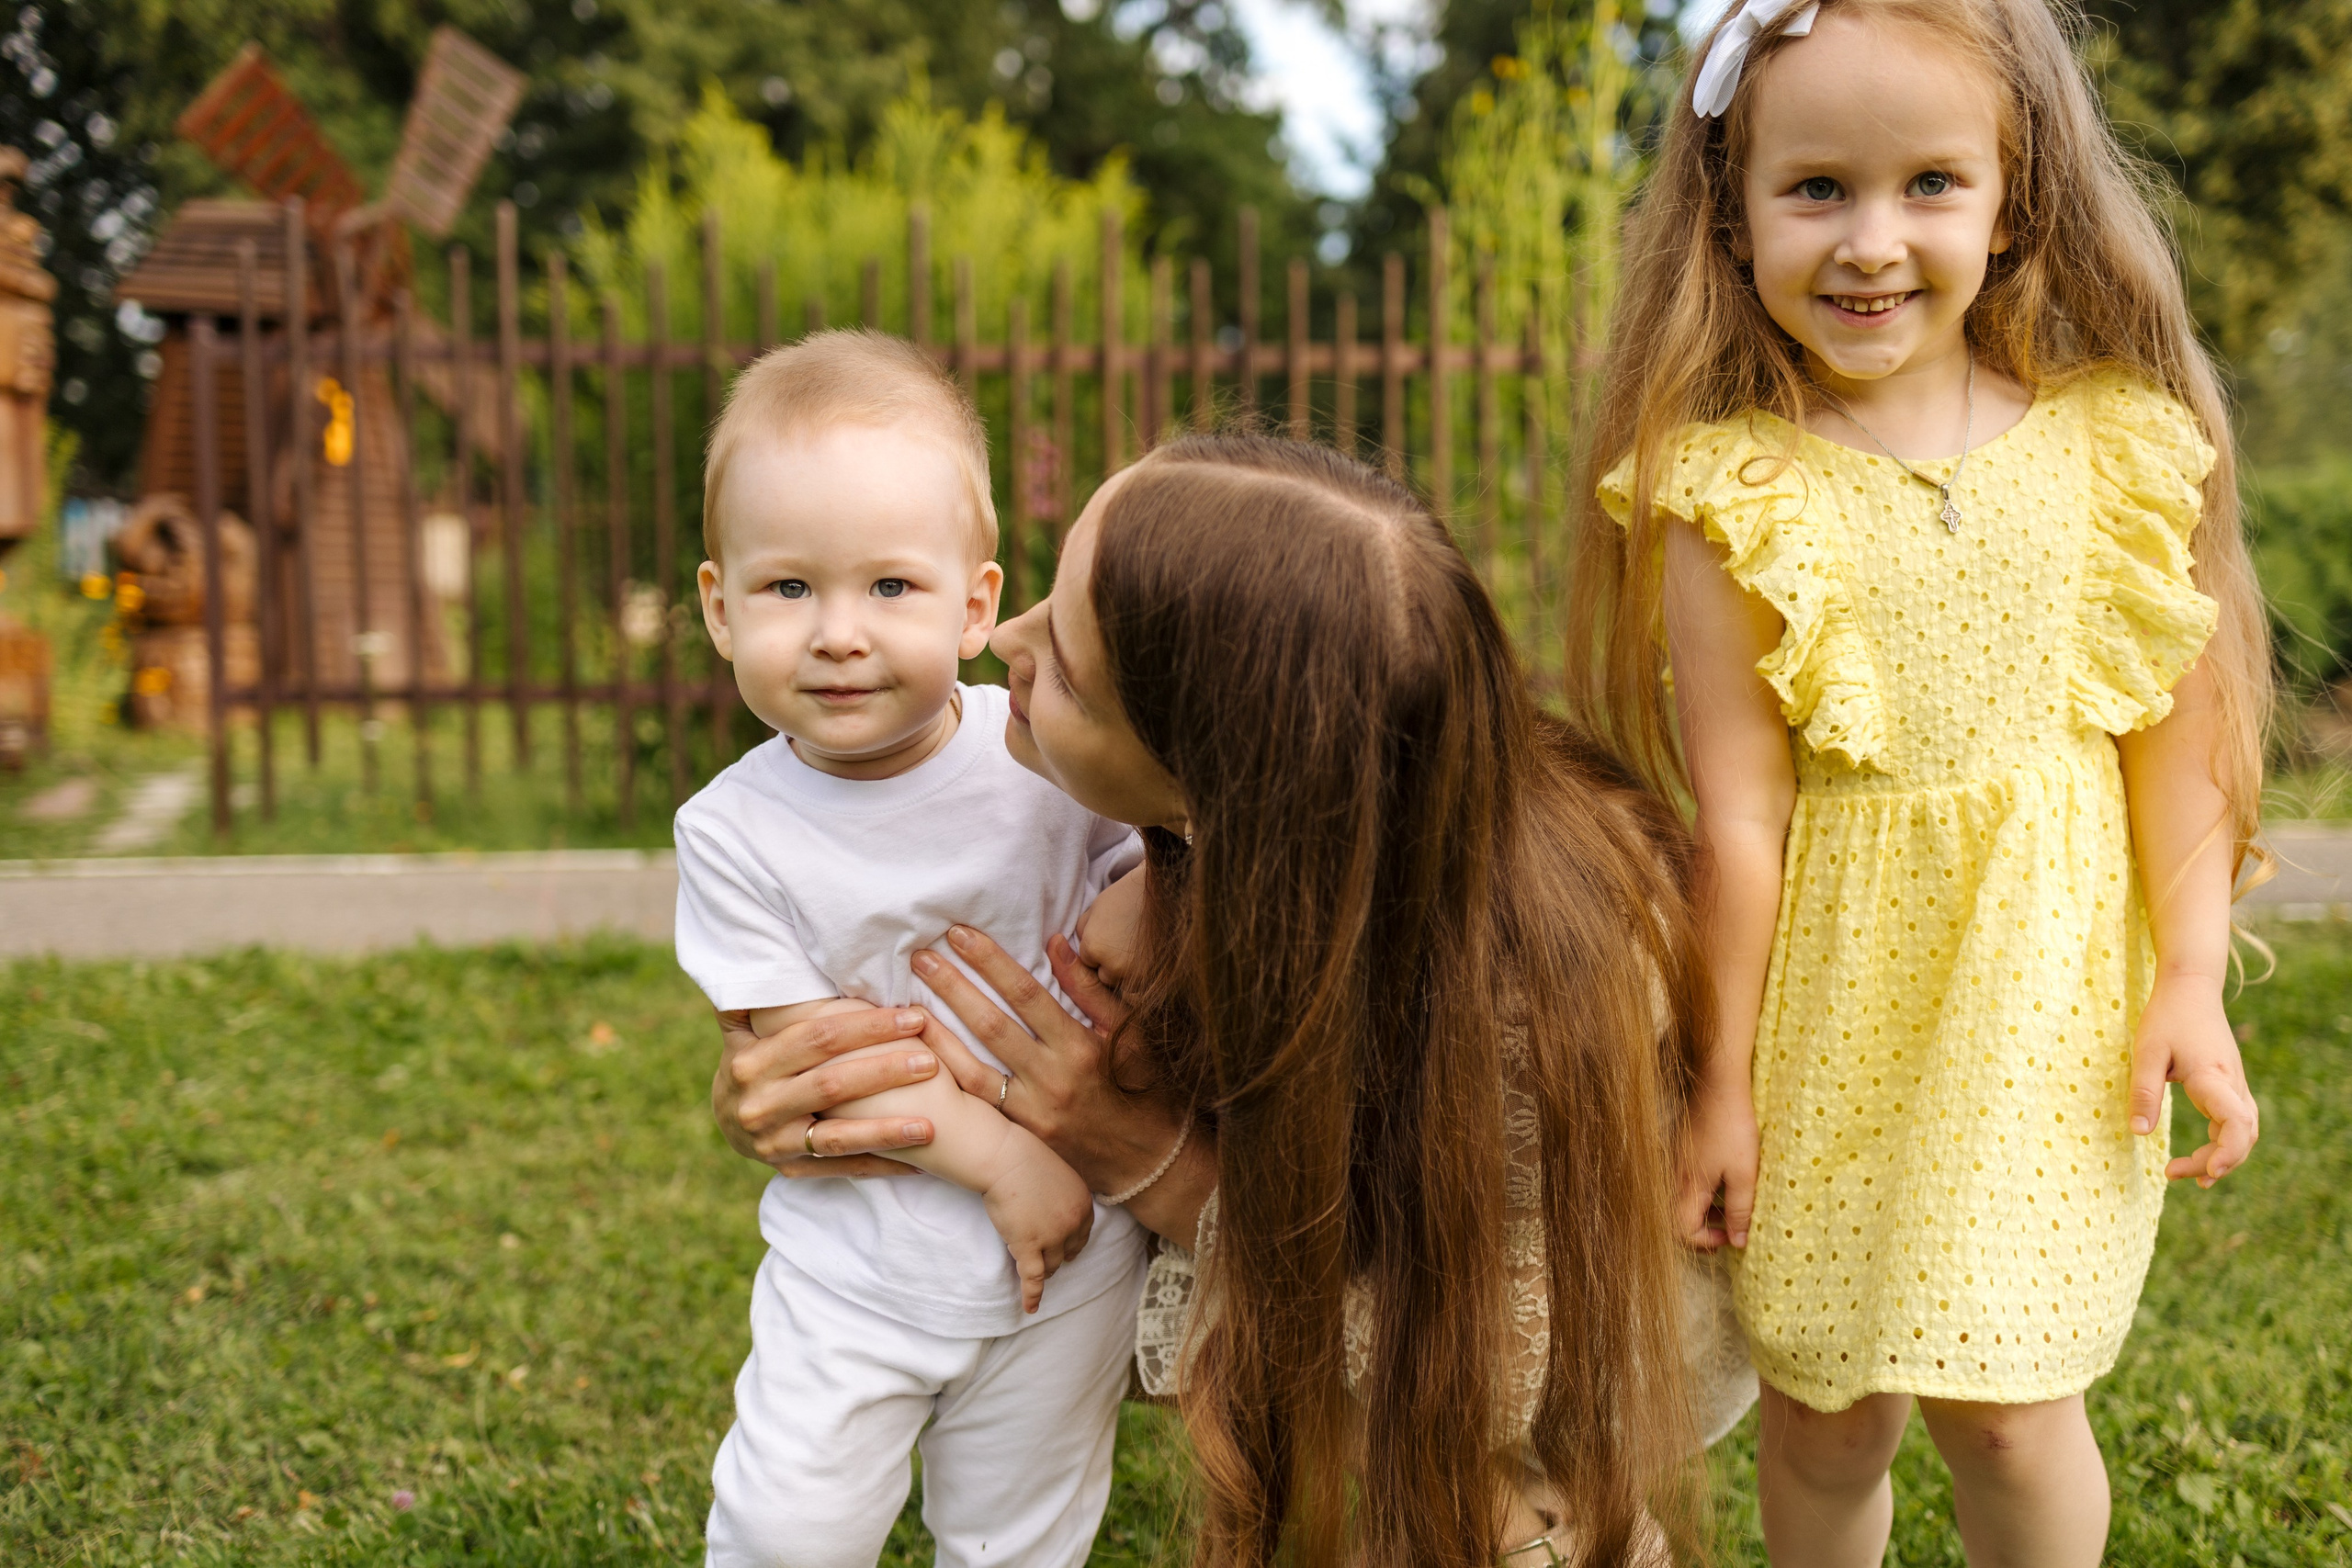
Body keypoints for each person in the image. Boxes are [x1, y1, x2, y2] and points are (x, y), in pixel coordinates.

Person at [713, 433, 1751, 1567]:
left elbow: (1464, 1348)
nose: (1004, 641)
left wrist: (1136, 1155)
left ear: (1219, 793)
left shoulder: (1522, 1001)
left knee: (1467, 1475)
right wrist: (799, 1076)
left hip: (1502, 1360)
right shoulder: (1260, 831)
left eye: (1068, 669)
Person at [1565, 2, 2267, 1562]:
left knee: (2011, 1406)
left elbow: (2181, 749)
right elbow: (1742, 818)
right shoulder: (1735, 490)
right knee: (1828, 1406)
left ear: (2013, 199)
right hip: (1831, 1011)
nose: (1871, 241)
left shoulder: (2117, 450)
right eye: (1817, 187)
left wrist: (2193, 978)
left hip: (2041, 1010)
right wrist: (1722, 1086)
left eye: (1930, 183)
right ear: (1732, 217)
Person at [674, 329, 1147, 1568]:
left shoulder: (1039, 756)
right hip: (858, 1267)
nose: (839, 633)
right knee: (787, 1530)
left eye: (891, 587)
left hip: (1069, 1270)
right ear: (719, 607)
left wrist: (1138, 906)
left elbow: (1159, 876)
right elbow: (816, 1060)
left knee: (1019, 1533)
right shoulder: (733, 831)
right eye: (788, 589)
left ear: (976, 604)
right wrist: (1004, 1161)